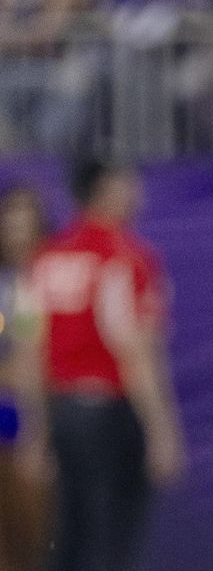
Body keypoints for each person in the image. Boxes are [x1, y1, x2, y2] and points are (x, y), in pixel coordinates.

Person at [26, 159, 185, 571]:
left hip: (65, 412)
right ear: (106, 190)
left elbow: (32, 350)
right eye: (128, 181)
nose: (137, 191)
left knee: (72, 534)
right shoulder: (123, 257)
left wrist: (39, 429)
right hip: (110, 416)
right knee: (111, 537)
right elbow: (133, 347)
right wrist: (161, 430)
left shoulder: (47, 257)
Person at [0, 185, 51, 571]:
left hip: (42, 418)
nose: (17, 233)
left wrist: (38, 431)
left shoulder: (47, 277)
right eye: (10, 222)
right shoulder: (10, 284)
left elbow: (37, 360)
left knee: (38, 536)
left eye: (25, 224)